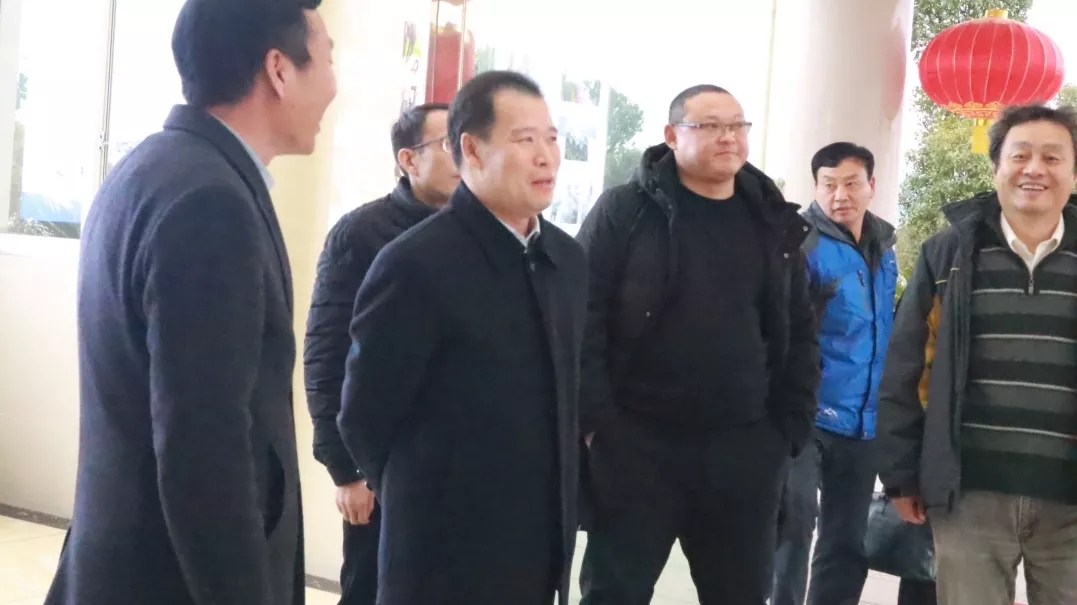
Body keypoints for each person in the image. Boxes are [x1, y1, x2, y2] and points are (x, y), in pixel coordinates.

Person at [44, 1, 336, 604]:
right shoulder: (211, 203)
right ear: (279, 70)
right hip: (171, 582)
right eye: (329, 58)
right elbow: (203, 450)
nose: (335, 84)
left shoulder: (150, 168)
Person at [337, 70, 587, 605]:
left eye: (551, 138)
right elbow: (365, 415)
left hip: (538, 548)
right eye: (525, 140)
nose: (546, 157)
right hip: (441, 555)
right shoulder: (415, 263)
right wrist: (422, 493)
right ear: (470, 149)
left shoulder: (565, 261)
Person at [575, 84, 820, 605]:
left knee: (741, 593)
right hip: (637, 445)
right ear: (672, 136)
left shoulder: (769, 218)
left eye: (737, 125)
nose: (728, 137)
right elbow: (581, 315)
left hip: (745, 448)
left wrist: (788, 430)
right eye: (709, 126)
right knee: (615, 592)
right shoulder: (627, 209)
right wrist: (599, 425)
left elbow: (799, 327)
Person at [879, 103, 1077, 605]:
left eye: (1052, 157)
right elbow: (906, 367)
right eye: (1020, 155)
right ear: (996, 168)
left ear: (1073, 173)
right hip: (969, 495)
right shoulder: (948, 254)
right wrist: (901, 473)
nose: (1034, 169)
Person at [303, 102, 458, 605]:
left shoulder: (487, 235)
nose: (465, 153)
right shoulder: (362, 233)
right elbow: (327, 353)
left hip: (461, 468)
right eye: (449, 143)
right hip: (382, 464)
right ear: (409, 159)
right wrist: (345, 469)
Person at [771, 142, 898, 605]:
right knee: (794, 522)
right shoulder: (799, 245)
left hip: (863, 419)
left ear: (871, 185)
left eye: (850, 183)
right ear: (816, 187)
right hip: (806, 412)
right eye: (829, 184)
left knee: (847, 540)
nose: (840, 194)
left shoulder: (885, 246)